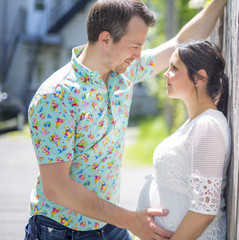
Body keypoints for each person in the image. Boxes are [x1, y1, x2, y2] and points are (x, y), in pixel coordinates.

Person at [24, 0, 227, 239]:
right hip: (61, 232)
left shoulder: (124, 73)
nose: (139, 55)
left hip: (110, 226)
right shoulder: (57, 97)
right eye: (135, 46)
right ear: (106, 40)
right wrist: (129, 219)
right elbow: (57, 187)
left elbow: (180, 44)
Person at [137, 40, 231, 239]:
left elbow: (204, 210)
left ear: (199, 77)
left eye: (174, 68)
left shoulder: (208, 126)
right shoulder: (195, 122)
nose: (165, 73)